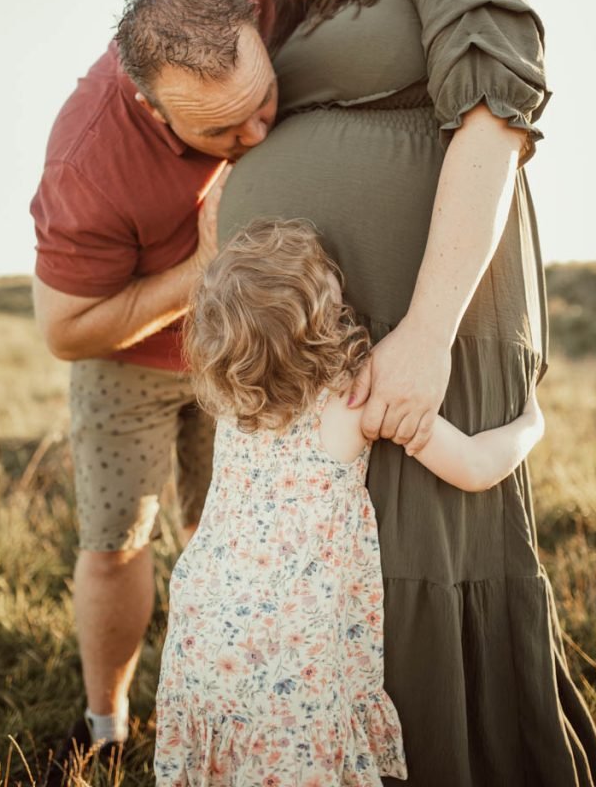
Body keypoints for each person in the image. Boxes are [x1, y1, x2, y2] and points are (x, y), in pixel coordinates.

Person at [215, 0, 596, 787]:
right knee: (324, 584)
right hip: (306, 351)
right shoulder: (285, 5)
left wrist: (426, 331)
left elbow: (492, 121)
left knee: (423, 569)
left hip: (432, 317)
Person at [154, 218, 546, 787]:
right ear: (324, 321)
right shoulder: (353, 399)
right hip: (292, 649)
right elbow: (478, 468)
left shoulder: (232, 405)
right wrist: (531, 422)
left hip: (206, 625)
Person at [30, 0, 277, 775]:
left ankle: (237, 706)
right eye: (223, 132)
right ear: (152, 109)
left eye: (262, 104)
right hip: (125, 359)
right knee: (116, 545)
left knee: (235, 539)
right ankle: (106, 727)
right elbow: (64, 332)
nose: (259, 137)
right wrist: (202, 268)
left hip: (241, 346)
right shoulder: (85, 161)